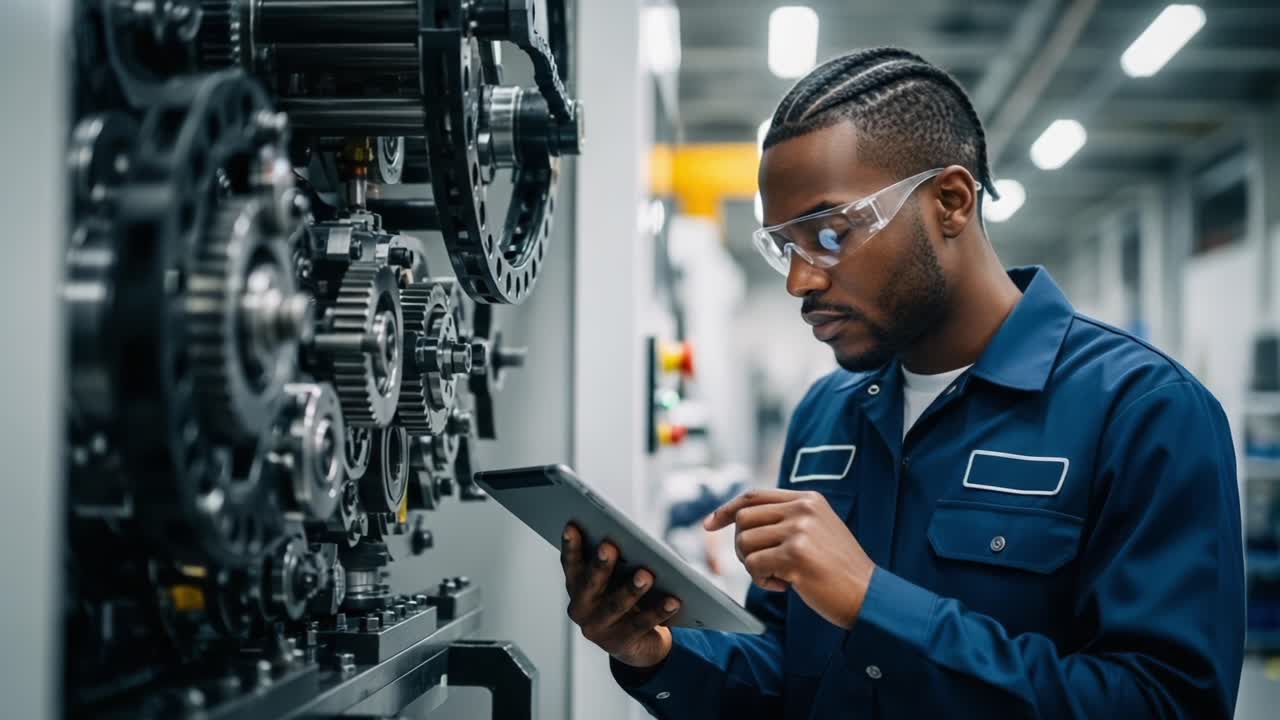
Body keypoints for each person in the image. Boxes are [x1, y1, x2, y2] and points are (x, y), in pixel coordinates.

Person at [559, 47, 1245, 718]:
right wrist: (658, 653)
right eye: (784, 247)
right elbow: (791, 674)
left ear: (950, 202)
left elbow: (1166, 701)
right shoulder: (827, 414)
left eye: (830, 235)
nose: (800, 280)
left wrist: (873, 603)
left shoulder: (1142, 411)